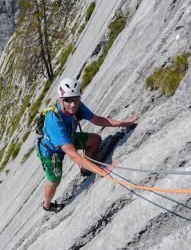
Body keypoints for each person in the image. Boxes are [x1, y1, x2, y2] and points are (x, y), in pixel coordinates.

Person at [36, 77, 139, 212]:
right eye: (68, 100)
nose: (72, 104)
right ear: (61, 99)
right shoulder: (53, 120)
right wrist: (102, 172)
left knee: (95, 140)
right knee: (54, 180)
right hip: (51, 152)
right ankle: (47, 205)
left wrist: (124, 123)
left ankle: (85, 170)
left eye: (76, 99)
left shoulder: (78, 107)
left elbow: (98, 120)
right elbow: (73, 155)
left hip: (68, 138)